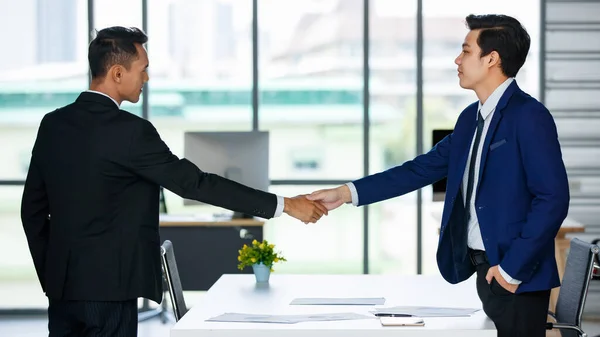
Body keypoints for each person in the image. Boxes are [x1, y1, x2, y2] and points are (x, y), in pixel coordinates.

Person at [21, 26, 327, 337]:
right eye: (143, 69)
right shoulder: (131, 132)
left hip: (61, 293)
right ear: (116, 73)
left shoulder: (53, 124)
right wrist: (284, 205)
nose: (147, 79)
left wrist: (54, 273)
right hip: (110, 293)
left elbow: (32, 211)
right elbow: (194, 183)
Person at [308, 14, 569, 337]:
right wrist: (346, 193)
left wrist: (511, 270)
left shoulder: (529, 116)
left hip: (515, 277)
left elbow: (553, 198)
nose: (457, 59)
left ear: (492, 59)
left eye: (466, 51)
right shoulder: (470, 119)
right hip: (487, 273)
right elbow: (417, 170)